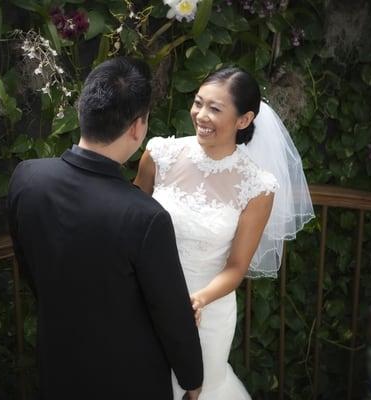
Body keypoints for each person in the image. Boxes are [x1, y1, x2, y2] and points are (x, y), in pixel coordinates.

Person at [8, 57, 204, 400]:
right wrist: (193, 380)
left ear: (83, 109)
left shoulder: (27, 176)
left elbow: (29, 265)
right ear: (137, 128)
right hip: (130, 377)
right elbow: (171, 315)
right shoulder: (145, 216)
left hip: (57, 360)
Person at [134, 67, 314, 398]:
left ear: (243, 120)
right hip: (146, 300)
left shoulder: (257, 186)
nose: (201, 115)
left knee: (198, 389)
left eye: (215, 109)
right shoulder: (159, 154)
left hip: (207, 309)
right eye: (198, 103)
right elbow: (129, 225)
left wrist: (197, 301)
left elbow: (235, 268)